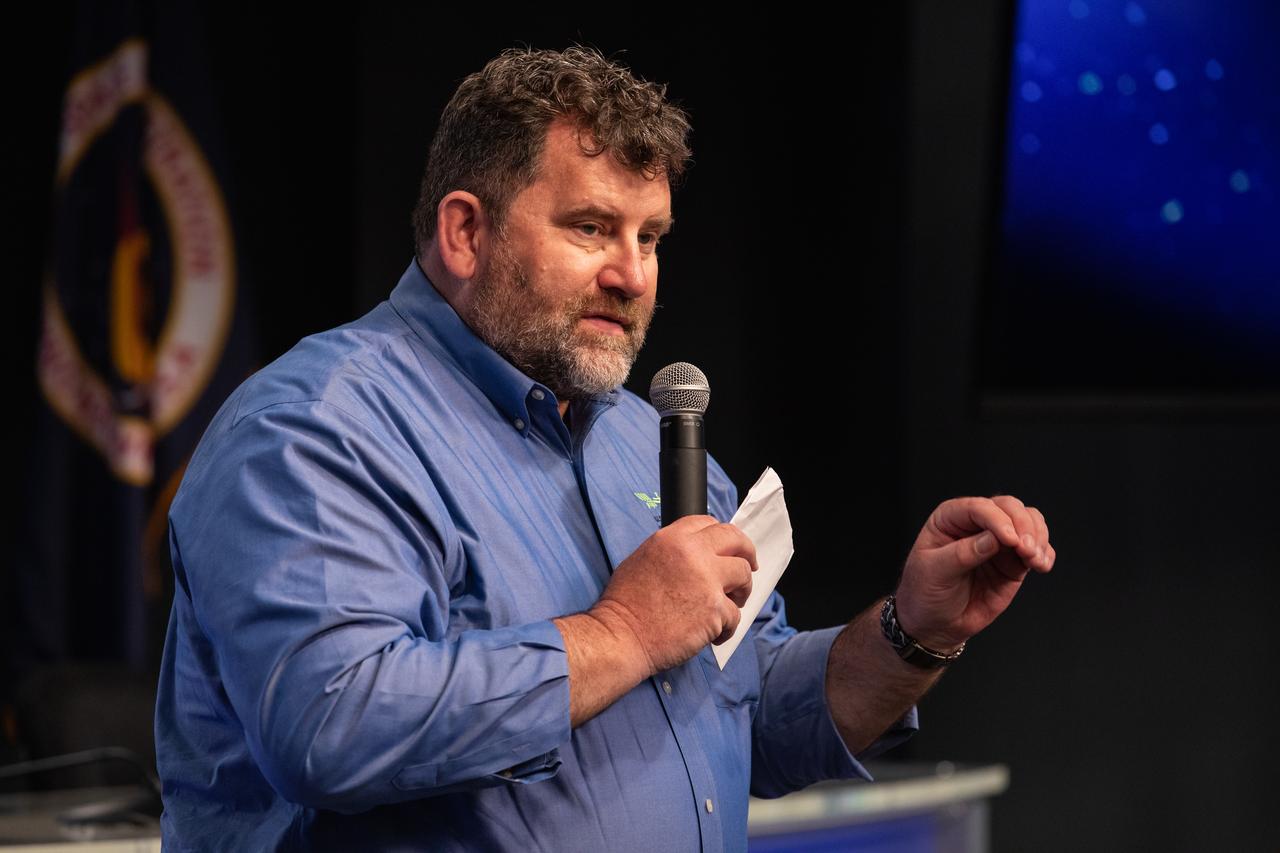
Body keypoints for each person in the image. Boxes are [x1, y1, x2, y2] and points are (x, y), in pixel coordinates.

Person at [154, 46, 1055, 851]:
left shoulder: (639, 435)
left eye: (650, 237)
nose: (632, 275)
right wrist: (623, 632)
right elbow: (331, 726)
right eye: (590, 228)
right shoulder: (315, 427)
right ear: (466, 232)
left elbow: (753, 717)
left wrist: (911, 632)